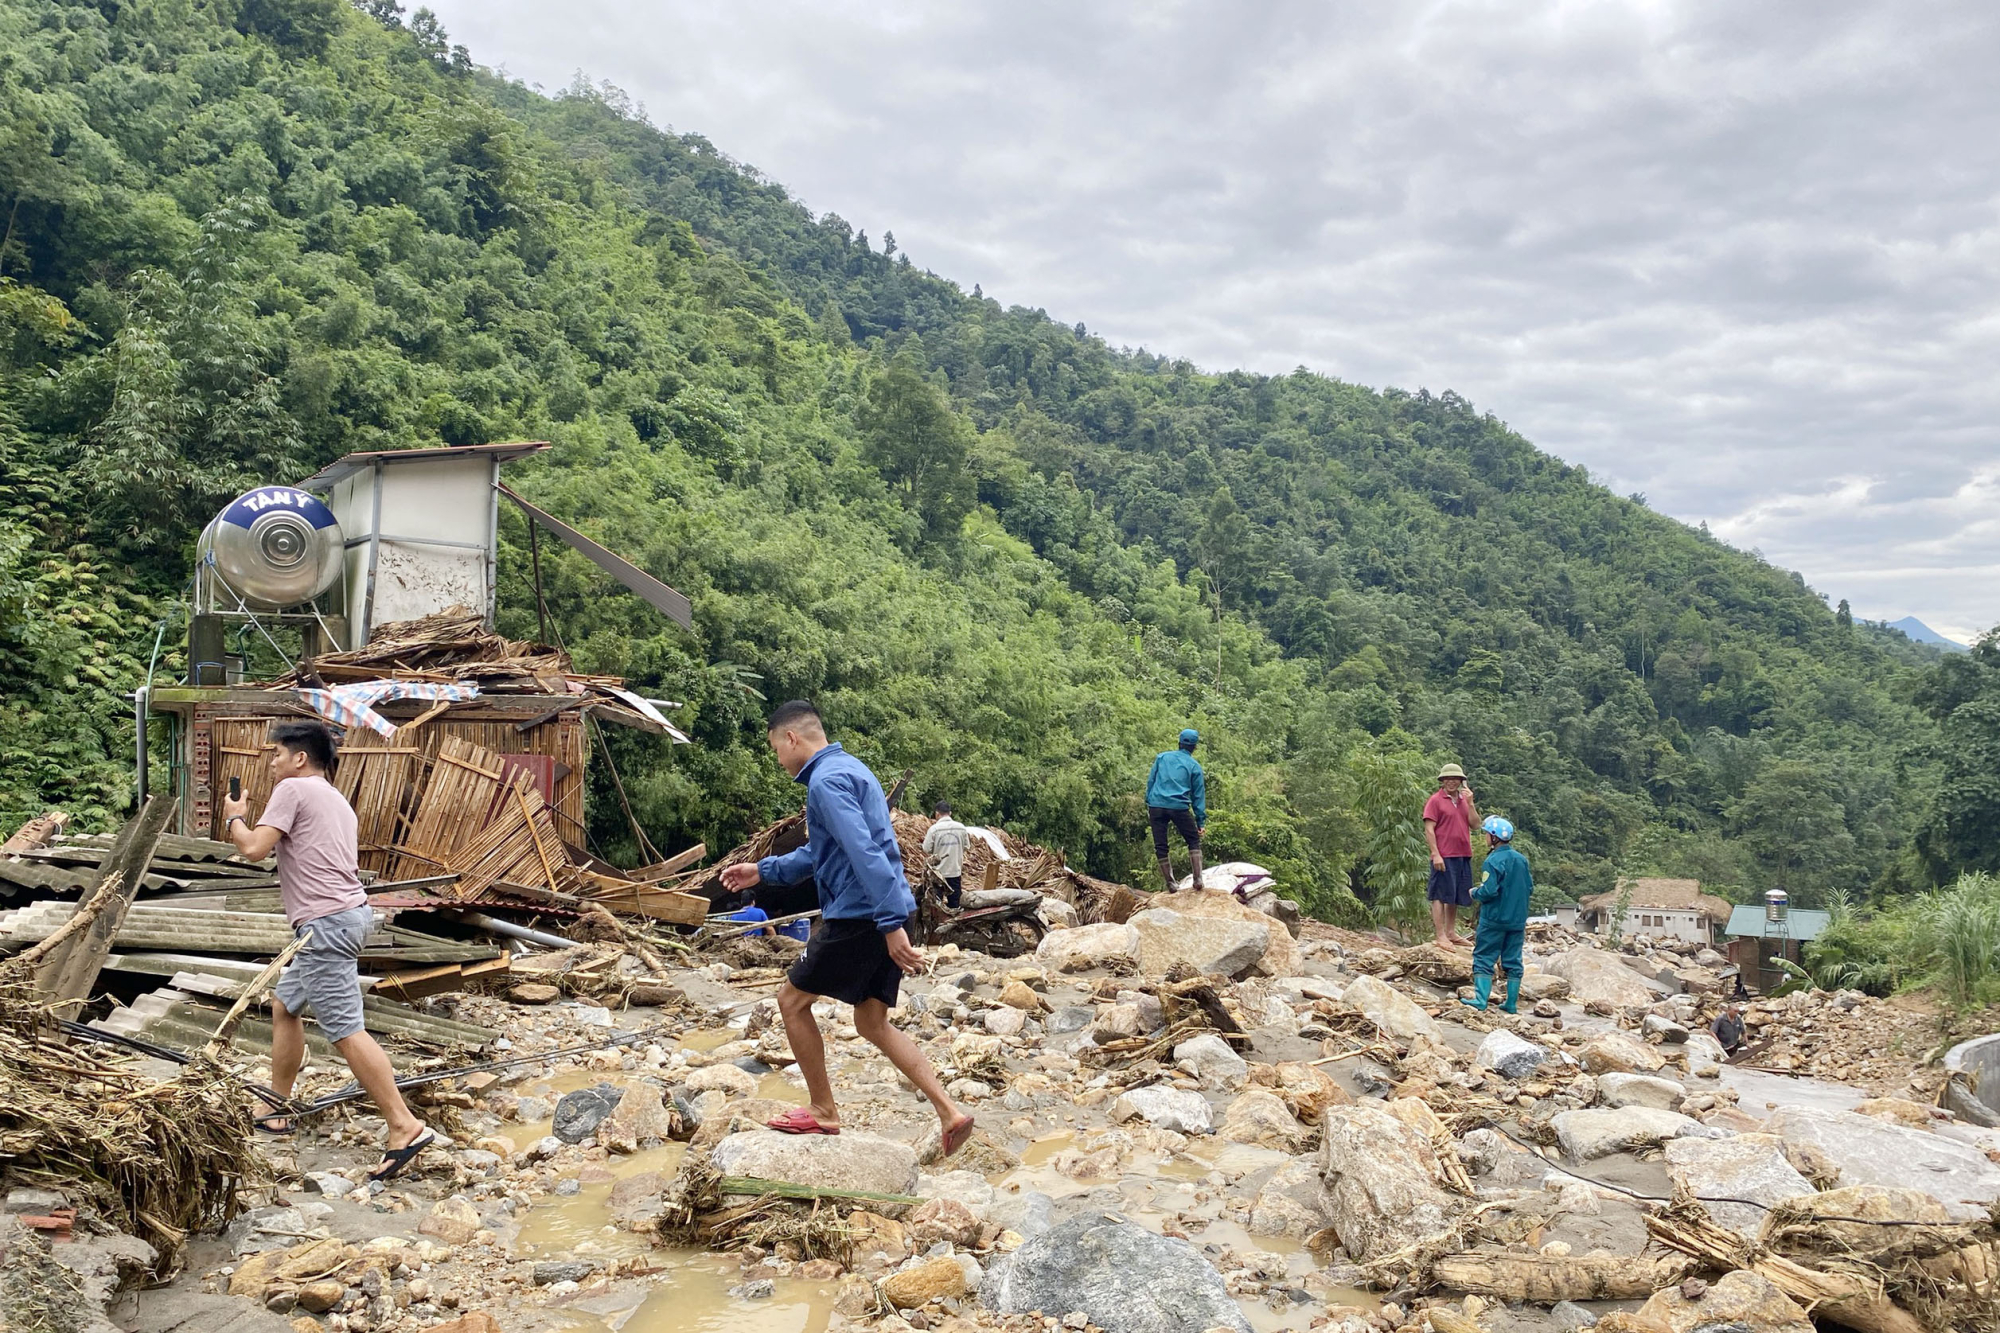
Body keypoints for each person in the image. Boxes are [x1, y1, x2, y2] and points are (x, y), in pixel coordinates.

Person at [719, 701, 975, 1155]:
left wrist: (889, 925)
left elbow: (864, 852)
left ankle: (823, 1111)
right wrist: (763, 870)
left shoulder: (825, 781)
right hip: (883, 906)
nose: (778, 760)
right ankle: (950, 1112)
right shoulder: (851, 770)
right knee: (872, 1022)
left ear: (792, 739)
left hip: (861, 914)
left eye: (776, 748)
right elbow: (825, 852)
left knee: (792, 1002)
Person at [220, 720, 434, 1180]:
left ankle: (404, 1125)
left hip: (325, 924)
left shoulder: (293, 790)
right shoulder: (336, 799)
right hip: (344, 917)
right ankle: (277, 1107)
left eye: (276, 753)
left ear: (299, 758)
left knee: (345, 1030)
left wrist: (234, 815)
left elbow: (255, 848)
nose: (272, 761)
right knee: (286, 1004)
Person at [1461, 815, 1531, 1013]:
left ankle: (1481, 1000)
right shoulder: (1521, 860)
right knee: (1513, 960)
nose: (1485, 837)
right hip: (1517, 920)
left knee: (1484, 956)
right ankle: (1511, 1004)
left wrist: (1475, 892)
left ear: (1494, 837)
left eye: (1486, 834)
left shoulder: (1492, 861)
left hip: (1494, 919)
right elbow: (1529, 887)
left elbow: (1489, 890)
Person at [1423, 763, 1480, 948]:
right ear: (1442, 781)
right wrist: (1435, 853)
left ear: (1461, 781)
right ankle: (1440, 935)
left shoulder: (1464, 801)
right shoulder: (1435, 800)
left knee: (1455, 894)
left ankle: (1451, 932)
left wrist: (1470, 803)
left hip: (1462, 854)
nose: (1451, 782)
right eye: (1447, 779)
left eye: (1455, 779)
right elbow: (1429, 829)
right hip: (1444, 854)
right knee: (1439, 894)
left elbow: (1475, 824)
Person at [1145, 728, 1207, 891]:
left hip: (1156, 805)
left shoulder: (1162, 757)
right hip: (1179, 807)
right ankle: (1198, 880)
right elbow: (1198, 796)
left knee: (1161, 845)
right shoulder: (1194, 766)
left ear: (1179, 743)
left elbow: (1151, 781)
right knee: (1193, 840)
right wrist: (1201, 821)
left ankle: (1171, 883)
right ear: (1194, 747)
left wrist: (1149, 801)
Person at [922, 801, 973, 910]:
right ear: (950, 813)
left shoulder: (934, 829)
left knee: (937, 906)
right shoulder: (961, 828)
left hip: (938, 874)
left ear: (937, 814)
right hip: (955, 871)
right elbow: (966, 847)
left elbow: (926, 849)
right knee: (955, 905)